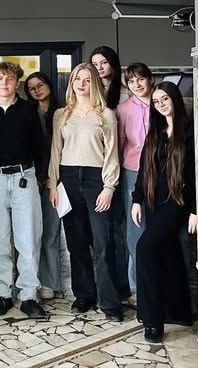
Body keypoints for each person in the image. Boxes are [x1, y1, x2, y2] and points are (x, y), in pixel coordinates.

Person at [48, 62, 122, 322]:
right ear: (71, 83)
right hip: (67, 180)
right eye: (77, 79)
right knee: (76, 243)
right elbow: (55, 151)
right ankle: (84, 296)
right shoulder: (61, 115)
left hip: (96, 181)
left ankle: (109, 302)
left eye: (87, 79)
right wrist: (53, 185)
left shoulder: (106, 114)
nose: (81, 83)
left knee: (102, 244)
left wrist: (109, 187)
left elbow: (112, 154)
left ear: (95, 84)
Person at [0, 61, 46, 319]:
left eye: (9, 79)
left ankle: (28, 294)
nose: (5, 83)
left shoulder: (28, 110)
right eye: (0, 78)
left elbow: (40, 146)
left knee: (28, 237)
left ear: (17, 83)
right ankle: (3, 293)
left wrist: (40, 177)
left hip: (24, 177)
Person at [131, 81, 196, 343]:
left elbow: (196, 174)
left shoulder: (190, 132)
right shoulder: (155, 132)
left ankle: (152, 320)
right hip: (152, 201)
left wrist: (195, 210)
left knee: (144, 248)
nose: (160, 105)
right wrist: (136, 200)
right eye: (156, 102)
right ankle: (178, 312)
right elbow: (143, 169)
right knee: (167, 254)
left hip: (177, 202)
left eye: (165, 99)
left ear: (175, 99)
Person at [90, 46, 129, 299]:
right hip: (98, 165)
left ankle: (123, 284)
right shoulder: (90, 91)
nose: (100, 68)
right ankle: (106, 283)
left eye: (103, 62)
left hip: (123, 164)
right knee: (104, 230)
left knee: (119, 228)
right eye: (95, 64)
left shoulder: (125, 91)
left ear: (113, 63)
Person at [115, 63, 152, 307]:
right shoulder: (123, 109)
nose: (136, 84)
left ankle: (159, 281)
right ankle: (137, 286)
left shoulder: (162, 101)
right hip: (132, 170)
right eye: (131, 81)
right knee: (136, 227)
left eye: (140, 79)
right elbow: (120, 144)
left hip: (162, 172)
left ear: (150, 79)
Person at [24, 71, 62, 300]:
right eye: (31, 88)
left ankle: (50, 281)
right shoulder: (27, 113)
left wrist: (52, 178)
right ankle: (30, 280)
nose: (36, 90)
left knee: (50, 232)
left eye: (40, 85)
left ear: (49, 85)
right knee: (29, 234)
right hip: (31, 179)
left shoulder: (62, 111)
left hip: (56, 180)